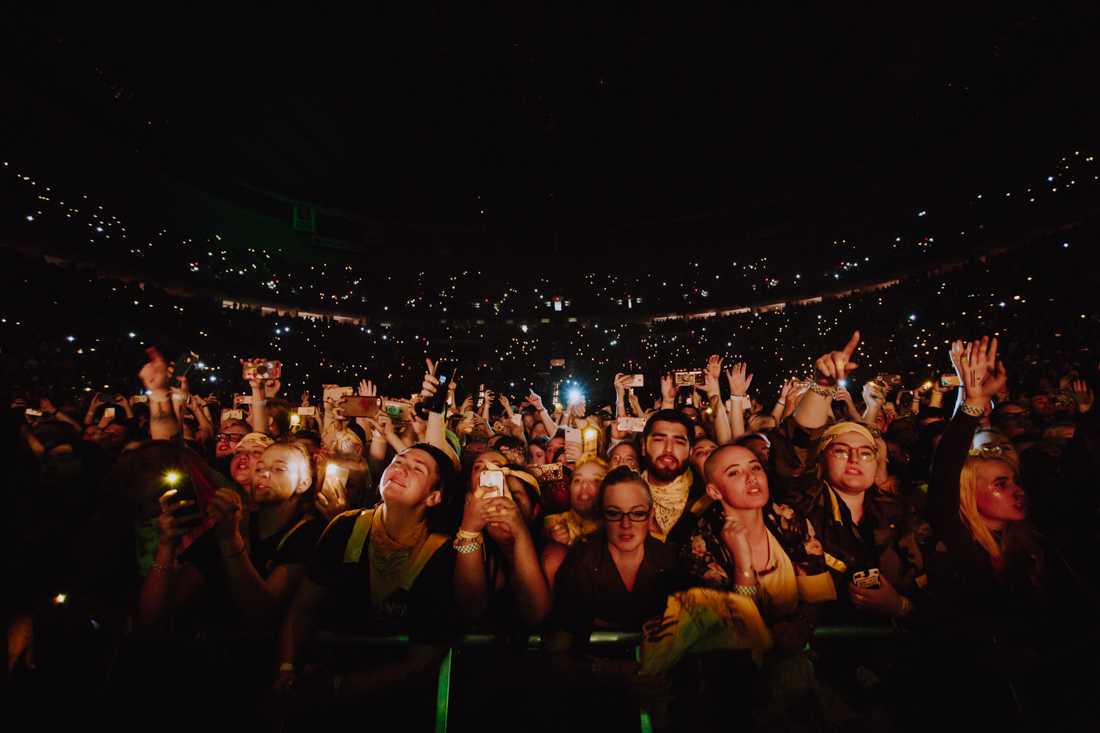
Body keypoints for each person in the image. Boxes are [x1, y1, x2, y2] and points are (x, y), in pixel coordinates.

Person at [274, 444, 458, 710]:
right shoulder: (345, 527)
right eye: (397, 461)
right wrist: (286, 667)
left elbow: (424, 658)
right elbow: (302, 607)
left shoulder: (441, 552)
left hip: (398, 703)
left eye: (417, 469)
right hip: (326, 678)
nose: (400, 469)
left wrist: (342, 687)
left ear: (434, 497)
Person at [544, 467, 685, 726]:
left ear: (650, 514)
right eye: (614, 513)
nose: (626, 524)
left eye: (638, 513)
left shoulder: (671, 560)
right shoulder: (582, 562)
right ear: (602, 515)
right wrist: (612, 672)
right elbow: (555, 655)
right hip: (594, 706)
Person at [138, 440, 322, 630]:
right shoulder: (236, 521)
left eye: (278, 469)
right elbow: (154, 616)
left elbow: (262, 616)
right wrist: (166, 545)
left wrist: (230, 539)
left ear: (303, 483)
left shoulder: (311, 532)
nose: (264, 474)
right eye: (259, 468)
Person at [641, 409, 709, 543]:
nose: (668, 449)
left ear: (690, 451)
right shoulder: (626, 494)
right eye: (659, 440)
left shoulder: (706, 498)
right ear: (643, 446)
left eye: (679, 442)